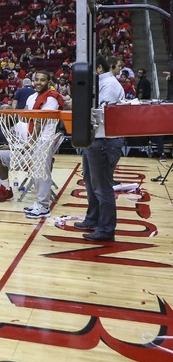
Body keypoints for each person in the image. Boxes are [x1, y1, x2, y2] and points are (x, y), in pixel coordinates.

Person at [75, 56, 125, 241]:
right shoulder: (99, 84)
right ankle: (93, 219)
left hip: (105, 141)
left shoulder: (110, 85)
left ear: (98, 68)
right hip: (94, 140)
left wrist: (79, 107)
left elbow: (101, 114)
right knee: (89, 182)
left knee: (103, 187)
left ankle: (106, 230)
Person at [22, 70, 64, 219]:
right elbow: (27, 118)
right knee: (35, 172)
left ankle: (44, 206)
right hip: (33, 138)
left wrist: (31, 141)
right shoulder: (32, 97)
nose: (39, 83)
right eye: (37, 80)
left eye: (42, 80)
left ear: (49, 82)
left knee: (42, 172)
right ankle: (39, 203)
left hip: (44, 140)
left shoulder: (51, 99)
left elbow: (40, 121)